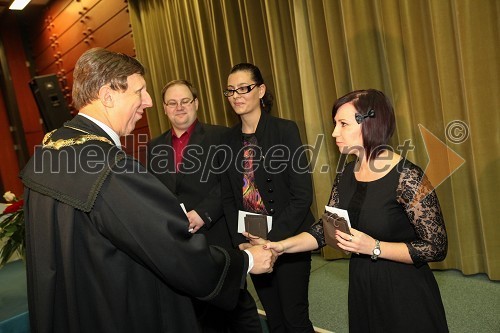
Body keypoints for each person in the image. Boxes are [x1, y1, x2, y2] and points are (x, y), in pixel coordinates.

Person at [19, 48, 275, 333]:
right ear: (108, 95)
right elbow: (169, 250)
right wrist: (247, 260)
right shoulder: (110, 168)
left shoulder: (48, 152)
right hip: (117, 311)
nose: (149, 102)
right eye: (139, 91)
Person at [252, 89, 449, 332]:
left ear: (371, 125)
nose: (334, 132)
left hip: (404, 290)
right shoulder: (347, 172)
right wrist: (282, 246)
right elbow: (325, 230)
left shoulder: (408, 177)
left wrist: (374, 247)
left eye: (342, 124)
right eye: (334, 124)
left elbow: (436, 247)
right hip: (362, 284)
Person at [147, 79, 262, 332]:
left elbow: (233, 184)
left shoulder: (223, 136)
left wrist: (203, 213)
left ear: (196, 103)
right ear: (164, 109)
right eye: (172, 103)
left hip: (217, 234)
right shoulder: (153, 147)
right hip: (179, 243)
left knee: (236, 307)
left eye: (185, 101)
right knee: (196, 314)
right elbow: (154, 192)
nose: (179, 107)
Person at [220, 63, 315, 332]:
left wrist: (273, 239)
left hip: (290, 238)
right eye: (230, 91)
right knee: (273, 318)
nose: (236, 95)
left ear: (260, 90)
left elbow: (302, 195)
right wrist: (242, 242)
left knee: (295, 318)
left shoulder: (285, 130)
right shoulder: (226, 140)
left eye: (243, 88)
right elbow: (229, 197)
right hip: (253, 243)